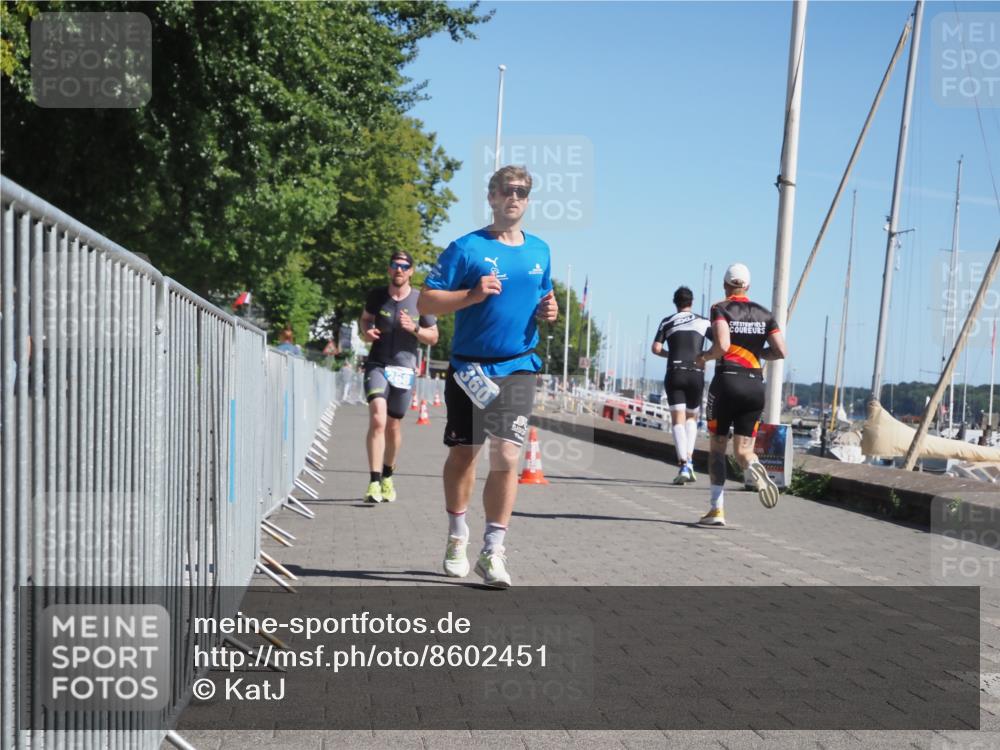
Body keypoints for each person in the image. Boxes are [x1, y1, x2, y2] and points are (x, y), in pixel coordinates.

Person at [419, 165, 558, 588]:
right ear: (492, 197)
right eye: (507, 190)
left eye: (522, 192)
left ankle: (494, 550)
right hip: (470, 368)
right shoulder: (466, 248)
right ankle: (456, 536)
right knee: (465, 454)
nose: (514, 198)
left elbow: (543, 297)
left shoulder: (540, 250)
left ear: (528, 200)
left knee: (509, 455)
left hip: (518, 365)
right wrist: (472, 295)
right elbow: (426, 299)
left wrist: (550, 312)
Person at [693, 263, 787, 526]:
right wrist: (758, 354)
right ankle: (752, 465)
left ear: (726, 285)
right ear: (747, 286)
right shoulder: (765, 314)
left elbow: (722, 345)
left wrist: (705, 356)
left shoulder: (720, 308)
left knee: (717, 448)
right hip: (756, 385)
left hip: (727, 383)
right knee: (744, 451)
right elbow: (781, 351)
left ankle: (716, 510)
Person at [360, 251, 439, 503]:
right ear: (389, 269)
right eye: (395, 265)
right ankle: (373, 482)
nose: (399, 270)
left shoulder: (420, 301)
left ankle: (387, 475)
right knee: (378, 419)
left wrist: (414, 328)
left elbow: (433, 336)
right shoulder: (376, 296)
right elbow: (365, 320)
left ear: (411, 271)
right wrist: (366, 332)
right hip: (377, 364)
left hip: (404, 369)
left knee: (393, 426)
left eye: (405, 267)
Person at [651, 286, 712, 485]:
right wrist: (706, 356)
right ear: (691, 302)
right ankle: (691, 460)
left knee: (677, 419)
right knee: (692, 418)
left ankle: (683, 464)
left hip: (675, 371)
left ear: (675, 302)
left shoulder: (667, 321)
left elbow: (656, 348)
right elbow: (721, 342)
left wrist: (670, 355)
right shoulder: (703, 321)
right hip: (696, 371)